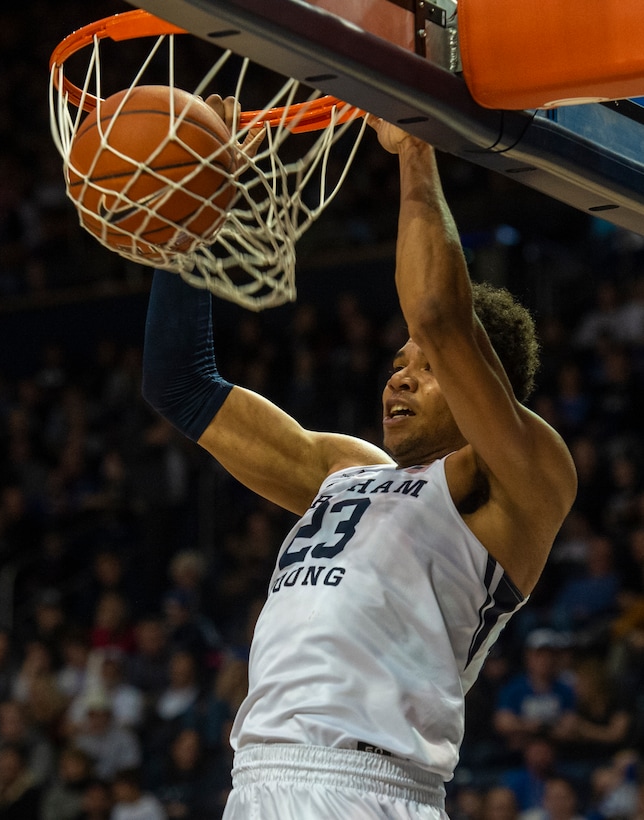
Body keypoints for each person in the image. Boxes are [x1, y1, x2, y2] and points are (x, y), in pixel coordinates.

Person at [141, 103, 577, 819]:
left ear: (480, 379)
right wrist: (196, 206)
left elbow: (440, 312)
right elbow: (179, 384)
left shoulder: (524, 474)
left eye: (427, 367)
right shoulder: (343, 470)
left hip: (367, 788)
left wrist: (414, 146)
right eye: (397, 362)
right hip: (255, 781)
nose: (398, 378)